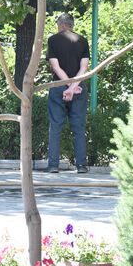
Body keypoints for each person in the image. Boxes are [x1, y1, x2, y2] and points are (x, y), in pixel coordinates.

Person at [44, 12, 90, 173]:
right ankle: (81, 165)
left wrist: (67, 86)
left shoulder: (53, 40)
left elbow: (55, 67)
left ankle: (53, 165)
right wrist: (74, 86)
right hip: (79, 88)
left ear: (61, 25)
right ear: (71, 25)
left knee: (55, 126)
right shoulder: (83, 41)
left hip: (59, 87)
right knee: (79, 127)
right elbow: (84, 68)